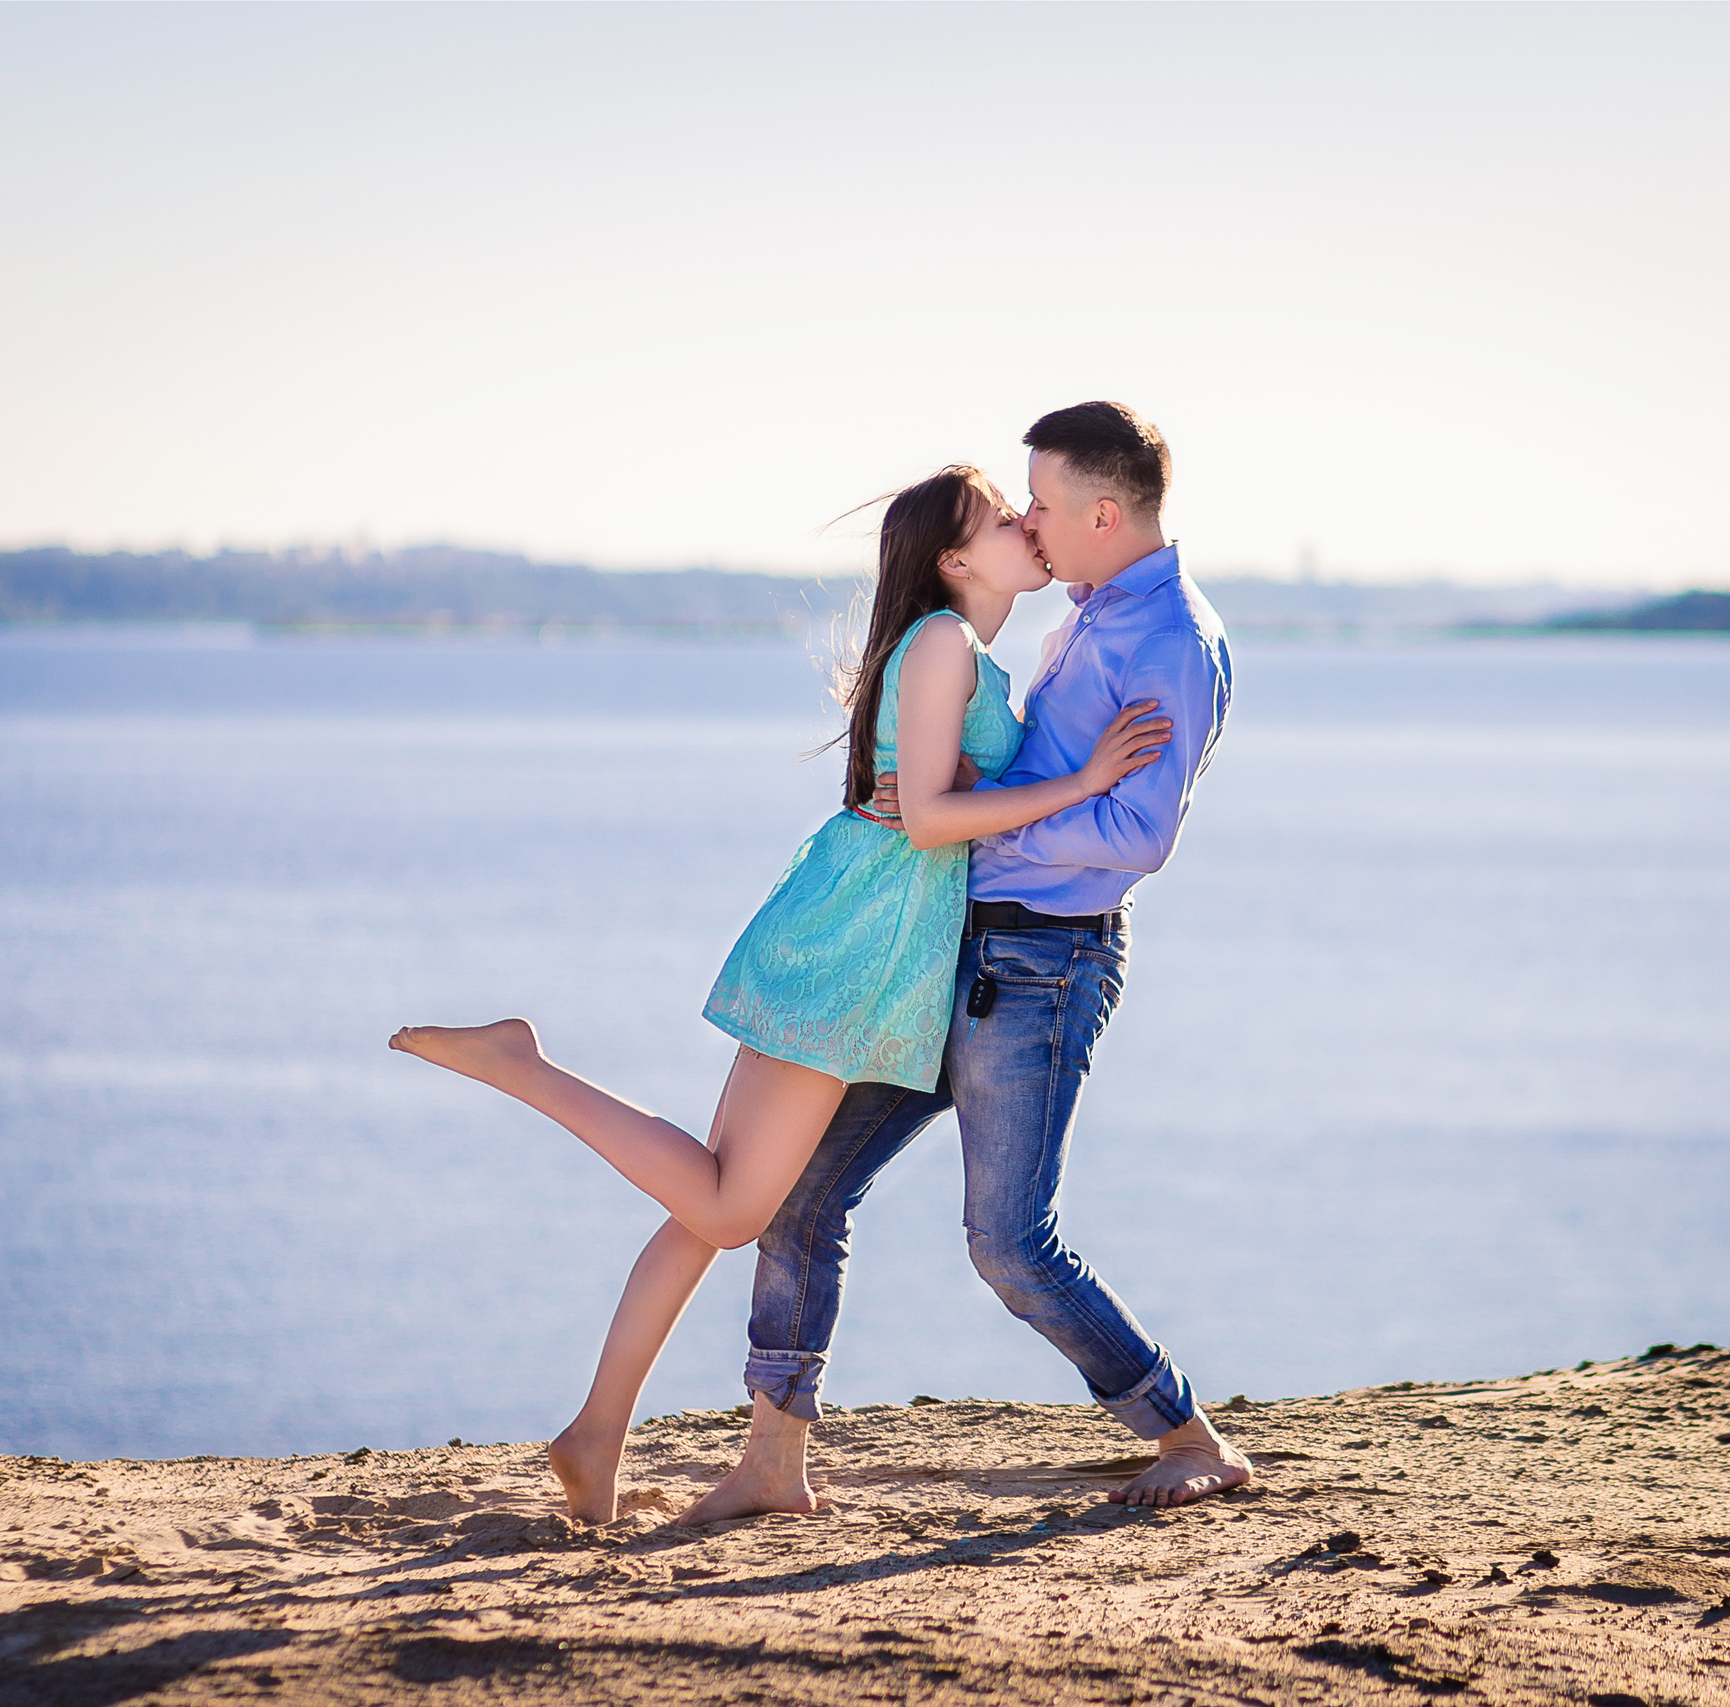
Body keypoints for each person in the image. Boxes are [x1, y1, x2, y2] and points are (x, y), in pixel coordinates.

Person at [388, 463, 1172, 1524]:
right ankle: (521, 1066)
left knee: (707, 1206)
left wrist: (972, 788)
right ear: (953, 558)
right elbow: (929, 819)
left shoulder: (961, 651)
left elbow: (933, 796)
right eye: (1000, 517)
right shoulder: (945, 641)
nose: (1023, 525)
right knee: (729, 1207)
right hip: (856, 948)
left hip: (859, 934)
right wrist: (1079, 783)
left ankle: (596, 1432)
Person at [680, 402, 1248, 1524]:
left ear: (1101, 513)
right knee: (801, 1194)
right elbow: (1023, 774)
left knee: (1010, 1246)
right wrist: (963, 803)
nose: (1029, 521)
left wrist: (964, 822)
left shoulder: (1169, 642)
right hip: (954, 945)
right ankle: (773, 1462)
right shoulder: (1083, 615)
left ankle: (1188, 1435)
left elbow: (1139, 833)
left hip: (1040, 966)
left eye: (1040, 503)